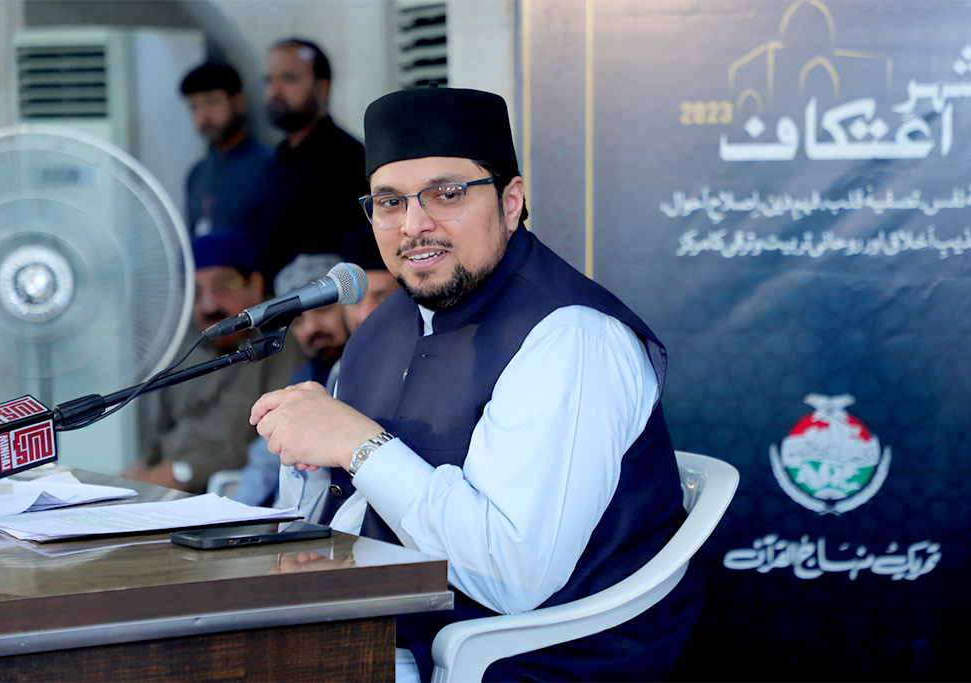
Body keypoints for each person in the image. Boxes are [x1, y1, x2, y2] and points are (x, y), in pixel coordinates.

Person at [250, 87, 698, 681]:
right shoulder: (386, 325)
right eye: (389, 202)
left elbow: (512, 576)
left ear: (511, 203)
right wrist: (304, 461)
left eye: (447, 193)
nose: (414, 225)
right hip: (391, 633)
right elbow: (348, 503)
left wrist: (358, 446)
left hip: (529, 662)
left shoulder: (569, 337)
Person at [122, 233, 302, 493]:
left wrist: (182, 473)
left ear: (254, 285)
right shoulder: (185, 346)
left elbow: (270, 446)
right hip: (165, 483)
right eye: (195, 293)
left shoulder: (279, 343)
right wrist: (141, 469)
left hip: (224, 493)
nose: (209, 305)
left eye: (223, 286)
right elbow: (161, 431)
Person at [234, 231, 399, 509]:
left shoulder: (387, 367)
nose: (311, 329)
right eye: (297, 321)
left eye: (322, 311)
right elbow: (267, 461)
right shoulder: (307, 377)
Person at [252, 38, 370, 288]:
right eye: (269, 80)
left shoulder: (348, 158)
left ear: (322, 87)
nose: (275, 91)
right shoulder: (274, 161)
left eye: (289, 78)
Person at [179, 62, 272, 239]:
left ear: (238, 101)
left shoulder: (270, 167)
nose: (203, 116)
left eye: (211, 101)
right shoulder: (197, 173)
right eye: (194, 106)